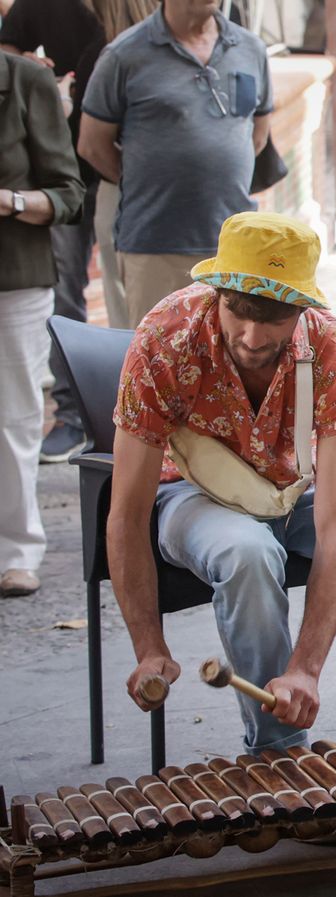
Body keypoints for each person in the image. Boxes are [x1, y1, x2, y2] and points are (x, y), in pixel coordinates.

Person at [108, 212, 336, 754]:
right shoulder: (164, 339)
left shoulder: (332, 353)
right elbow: (127, 514)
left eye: (273, 318)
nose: (251, 337)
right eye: (239, 312)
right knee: (248, 553)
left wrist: (306, 670)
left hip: (295, 486)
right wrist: (148, 647)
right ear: (218, 291)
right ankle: (278, 751)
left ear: (302, 309)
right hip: (191, 492)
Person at [78, 0, 272, 329]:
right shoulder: (124, 54)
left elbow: (258, 135)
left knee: (233, 364)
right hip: (154, 245)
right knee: (157, 365)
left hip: (233, 246)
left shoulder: (250, 48)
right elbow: (92, 145)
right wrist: (150, 180)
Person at [0, 0, 105, 463]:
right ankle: (72, 414)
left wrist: (13, 201)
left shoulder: (124, 9)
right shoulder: (34, 8)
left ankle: (91, 418)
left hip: (115, 171)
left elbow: (68, 193)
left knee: (84, 302)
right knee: (68, 294)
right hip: (73, 159)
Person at [0, 49, 85, 598]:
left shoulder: (24, 79)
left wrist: (7, 200)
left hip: (14, 280)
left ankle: (17, 552)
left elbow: (69, 194)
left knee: (13, 419)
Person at [79, 0, 158, 333]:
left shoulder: (110, 56)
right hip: (128, 197)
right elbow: (92, 145)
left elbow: (88, 145)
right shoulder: (118, 57)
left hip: (123, 196)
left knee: (127, 322)